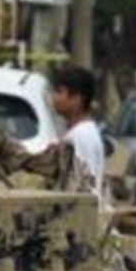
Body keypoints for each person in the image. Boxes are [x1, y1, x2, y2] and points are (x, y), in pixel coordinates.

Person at [50, 62, 108, 211]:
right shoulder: (80, 132)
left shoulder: (81, 136)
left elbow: (84, 186)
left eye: (60, 92)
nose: (54, 97)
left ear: (77, 98)